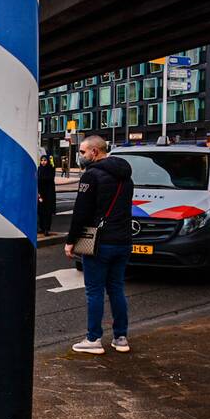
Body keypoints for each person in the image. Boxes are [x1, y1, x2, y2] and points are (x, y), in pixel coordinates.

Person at [64, 136, 134, 355]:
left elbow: (81, 212)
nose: (81, 156)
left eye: (83, 152)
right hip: (122, 241)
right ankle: (121, 337)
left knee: (94, 291)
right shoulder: (126, 176)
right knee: (117, 289)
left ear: (95, 152)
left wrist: (70, 241)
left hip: (100, 243)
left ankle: (93, 339)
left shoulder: (91, 176)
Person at [37, 155, 56, 236]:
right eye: (42, 160)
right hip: (41, 193)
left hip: (49, 194)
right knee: (41, 211)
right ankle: (41, 228)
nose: (43, 162)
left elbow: (50, 177)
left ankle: (46, 229)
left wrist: (52, 162)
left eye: (45, 160)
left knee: (47, 212)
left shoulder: (50, 169)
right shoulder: (39, 169)